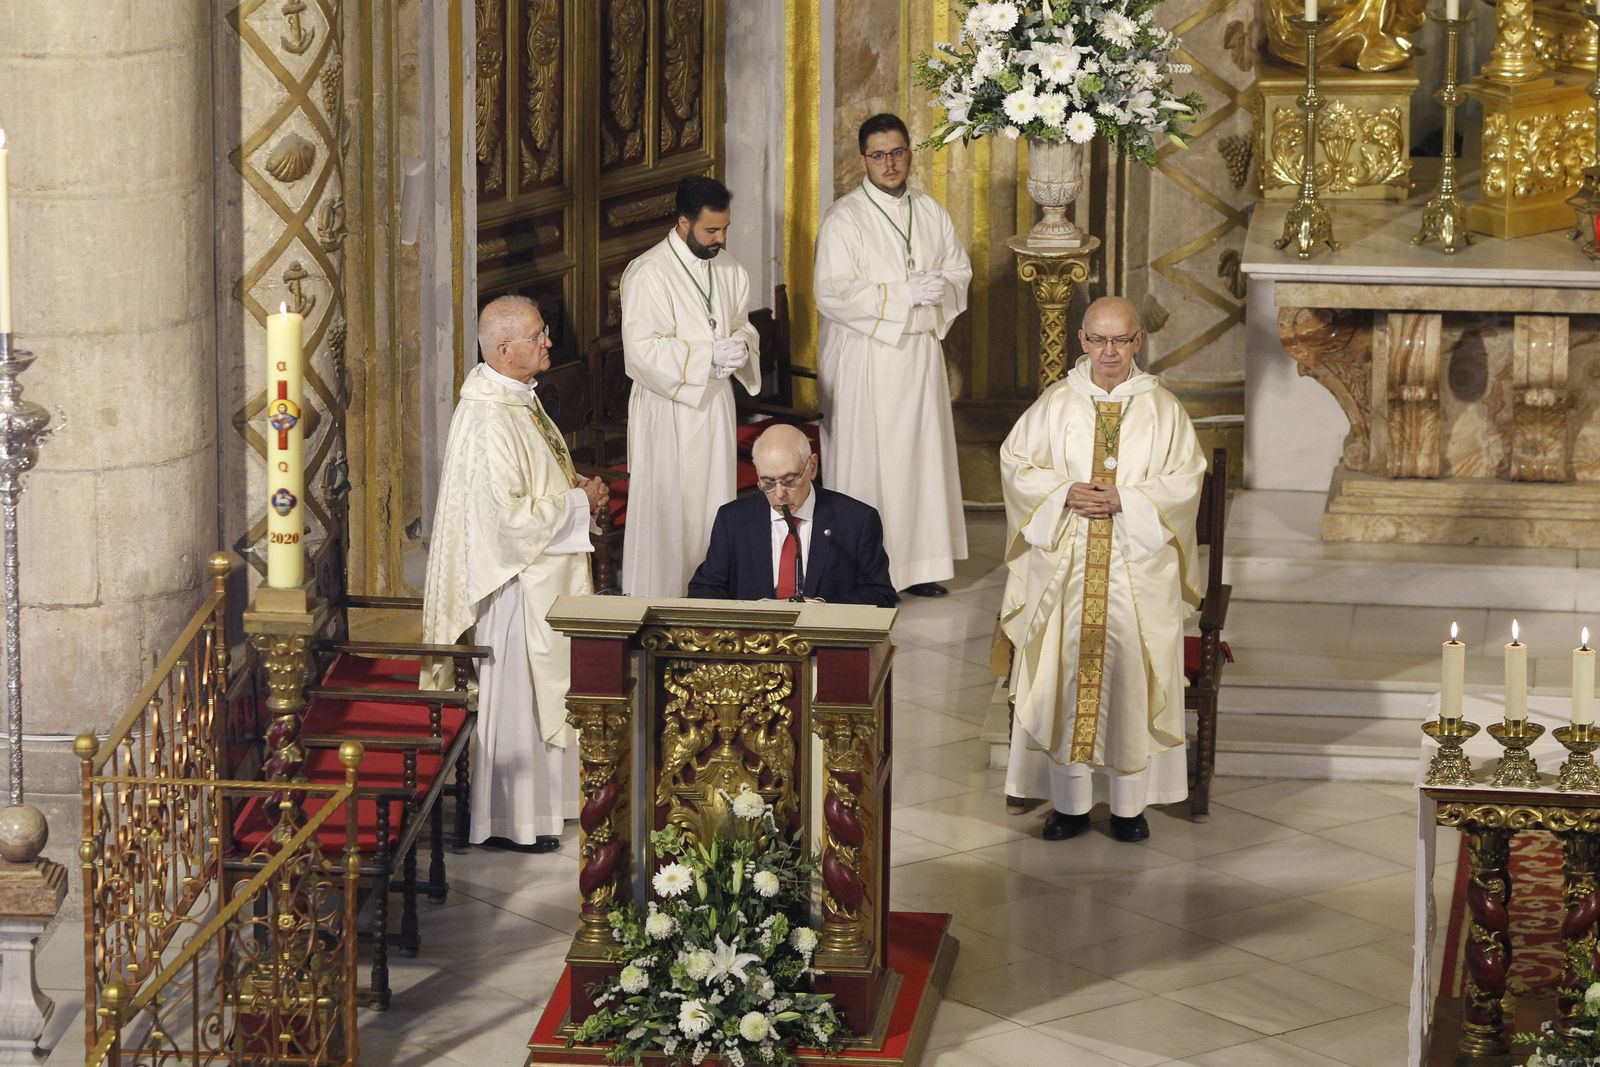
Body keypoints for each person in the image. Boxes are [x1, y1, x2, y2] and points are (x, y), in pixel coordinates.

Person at [999, 296, 1205, 843]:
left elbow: (1186, 481)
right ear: (1082, 340)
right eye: (1097, 339)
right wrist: (1064, 491)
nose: (1108, 351)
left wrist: (1127, 502)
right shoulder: (1056, 403)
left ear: (1139, 341)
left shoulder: (1163, 408)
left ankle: (1128, 806)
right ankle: (1067, 805)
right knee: (1062, 678)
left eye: (1120, 340)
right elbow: (1016, 463)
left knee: (1129, 680)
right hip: (1066, 563)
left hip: (1135, 569)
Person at [421, 295, 609, 852]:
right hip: (514, 589)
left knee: (544, 694)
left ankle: (549, 808)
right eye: (538, 334)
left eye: (544, 329)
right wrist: (579, 502)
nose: (549, 341)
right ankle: (514, 820)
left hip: (540, 578)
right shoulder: (486, 418)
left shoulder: (516, 399)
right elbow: (504, 521)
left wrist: (579, 495)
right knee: (522, 702)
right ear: (505, 350)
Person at [814, 112, 972, 598]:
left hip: (919, 355)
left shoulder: (930, 211)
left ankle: (920, 566)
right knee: (872, 465)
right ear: (863, 159)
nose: (890, 163)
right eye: (879, 154)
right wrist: (904, 293)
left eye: (898, 152)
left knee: (918, 461)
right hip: (867, 359)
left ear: (910, 153)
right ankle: (868, 569)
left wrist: (939, 286)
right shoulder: (846, 218)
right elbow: (832, 292)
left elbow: (958, 271)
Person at [620, 175, 762, 597]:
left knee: (712, 510)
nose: (720, 239)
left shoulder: (730, 269)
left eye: (725, 228)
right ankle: (661, 608)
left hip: (714, 407)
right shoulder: (650, 273)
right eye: (711, 230)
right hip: (668, 411)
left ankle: (709, 603)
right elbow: (641, 351)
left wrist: (741, 346)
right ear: (684, 223)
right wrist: (707, 355)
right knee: (669, 519)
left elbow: (741, 325)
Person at [687, 424, 897, 607]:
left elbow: (880, 595)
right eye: (768, 483)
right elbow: (704, 590)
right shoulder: (733, 520)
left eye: (789, 480)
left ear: (812, 467)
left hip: (824, 645)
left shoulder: (856, 520)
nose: (779, 494)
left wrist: (823, 608)